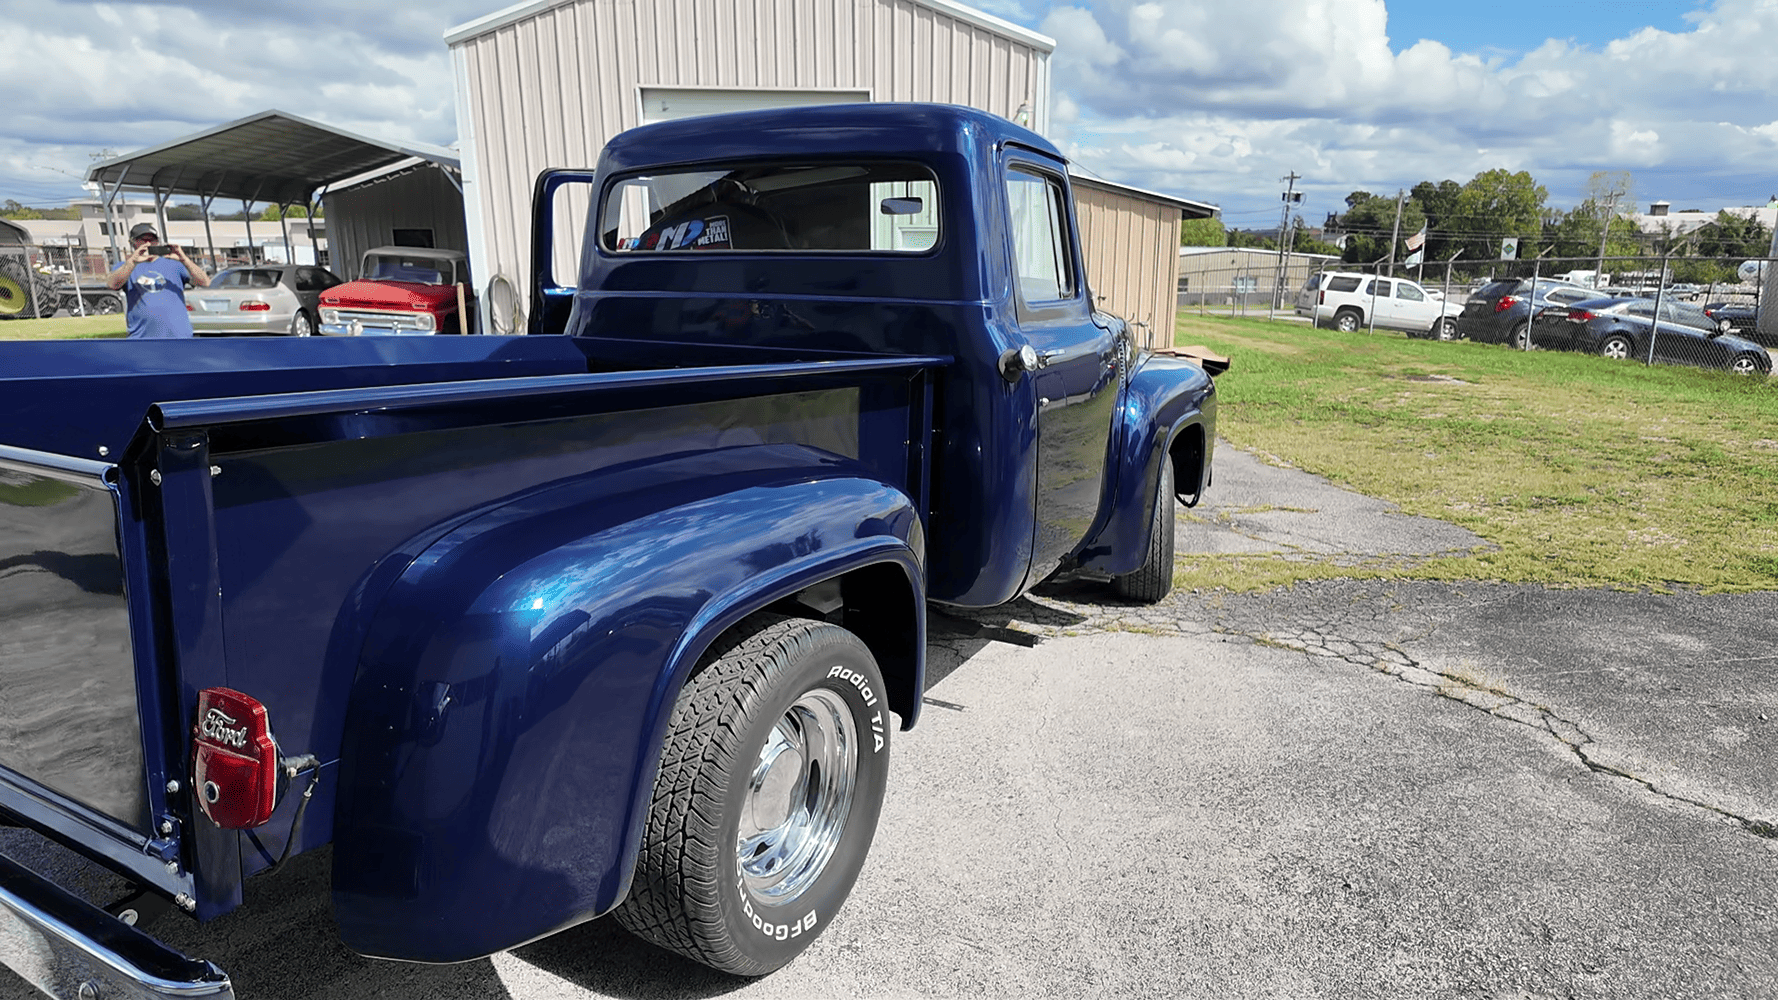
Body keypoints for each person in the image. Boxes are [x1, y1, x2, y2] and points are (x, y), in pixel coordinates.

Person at [107, 222, 210, 338]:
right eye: (143, 240)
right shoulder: (125, 267)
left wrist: (184, 259)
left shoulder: (174, 264)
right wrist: (132, 262)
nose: (148, 244)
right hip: (142, 338)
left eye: (152, 240)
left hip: (179, 337)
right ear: (133, 242)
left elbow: (205, 282)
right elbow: (112, 284)